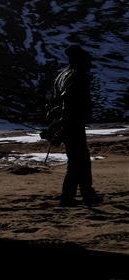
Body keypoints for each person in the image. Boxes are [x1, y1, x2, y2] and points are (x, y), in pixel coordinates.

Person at [51, 45, 101, 207]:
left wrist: (57, 127)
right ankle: (71, 196)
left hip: (66, 124)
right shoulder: (77, 76)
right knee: (79, 161)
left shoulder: (62, 75)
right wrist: (65, 125)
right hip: (73, 124)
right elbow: (70, 104)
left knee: (78, 160)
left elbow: (55, 102)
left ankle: (85, 194)